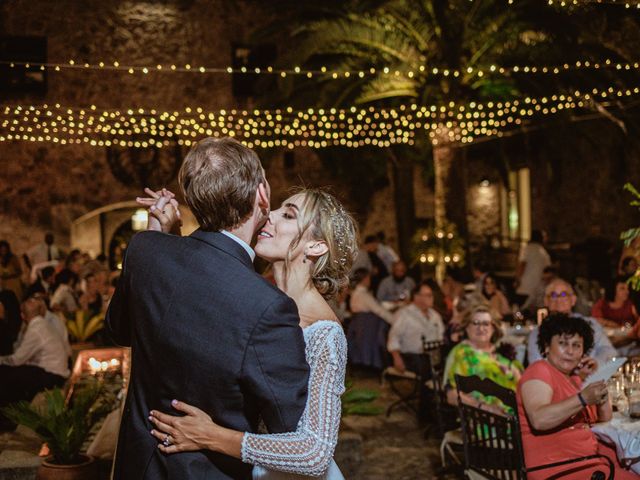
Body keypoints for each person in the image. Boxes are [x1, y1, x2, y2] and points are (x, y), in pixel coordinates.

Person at [106, 137, 309, 480]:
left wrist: (160, 234)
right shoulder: (268, 305)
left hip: (138, 467)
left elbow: (119, 331)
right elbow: (288, 426)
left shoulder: (144, 250)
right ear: (262, 194)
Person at [142, 185, 358, 479]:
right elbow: (197, 300)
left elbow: (315, 452)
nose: (270, 216)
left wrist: (211, 436)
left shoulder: (325, 334)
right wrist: (170, 234)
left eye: (289, 215)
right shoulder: (257, 298)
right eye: (276, 209)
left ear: (316, 246)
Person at [517, 313, 637, 480]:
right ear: (546, 346)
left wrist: (597, 380)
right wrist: (582, 398)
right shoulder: (539, 370)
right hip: (558, 469)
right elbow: (539, 419)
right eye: (562, 344)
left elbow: (604, 418)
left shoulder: (573, 379)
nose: (570, 351)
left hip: (586, 462)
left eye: (576, 345)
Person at [0, 295, 69, 431]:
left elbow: (17, 360)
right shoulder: (43, 324)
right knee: (11, 374)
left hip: (53, 375)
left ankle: (8, 419)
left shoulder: (35, 329)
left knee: (6, 375)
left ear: (22, 315)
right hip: (54, 371)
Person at [444, 303, 523, 415]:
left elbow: (521, 382)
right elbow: (451, 395)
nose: (481, 328)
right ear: (467, 327)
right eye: (475, 323)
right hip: (485, 419)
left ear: (493, 328)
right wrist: (484, 407)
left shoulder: (502, 353)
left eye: (486, 323)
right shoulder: (461, 353)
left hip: (516, 413)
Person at [527, 278, 617, 365]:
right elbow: (537, 364)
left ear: (573, 300)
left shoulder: (590, 325)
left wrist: (594, 364)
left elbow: (609, 352)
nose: (559, 300)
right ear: (546, 301)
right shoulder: (537, 333)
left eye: (563, 295)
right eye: (553, 295)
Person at [387, 281, 444, 375]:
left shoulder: (435, 315)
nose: (432, 298)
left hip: (434, 355)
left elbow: (441, 336)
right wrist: (397, 358)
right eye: (428, 295)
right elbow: (393, 337)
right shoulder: (404, 314)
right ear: (417, 297)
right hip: (412, 357)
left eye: (431, 295)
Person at [347, 268, 394, 370]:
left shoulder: (356, 293)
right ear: (364, 279)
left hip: (360, 323)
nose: (370, 280)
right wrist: (394, 320)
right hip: (367, 325)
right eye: (368, 278)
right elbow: (379, 310)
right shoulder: (363, 295)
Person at [515, 230, 551, 307]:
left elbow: (522, 265)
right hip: (536, 288)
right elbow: (548, 270)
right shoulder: (544, 253)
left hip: (524, 287)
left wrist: (517, 279)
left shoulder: (526, 249)